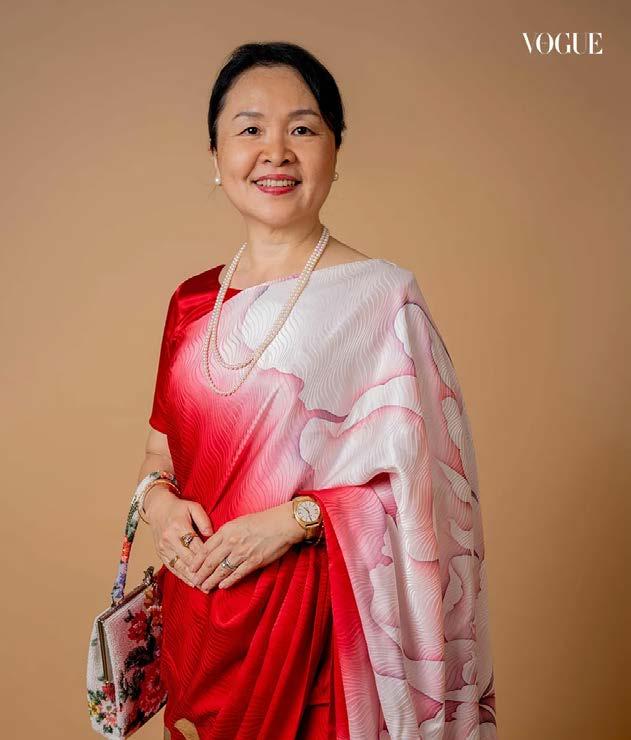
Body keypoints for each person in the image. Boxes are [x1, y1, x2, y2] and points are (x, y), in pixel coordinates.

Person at [138, 41, 498, 740]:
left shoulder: (382, 299)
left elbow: (433, 491)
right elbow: (160, 455)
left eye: (301, 129)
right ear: (215, 154)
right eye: (249, 129)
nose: (275, 151)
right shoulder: (192, 305)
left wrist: (295, 520)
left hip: (325, 642)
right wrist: (160, 508)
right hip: (201, 628)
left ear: (335, 150)